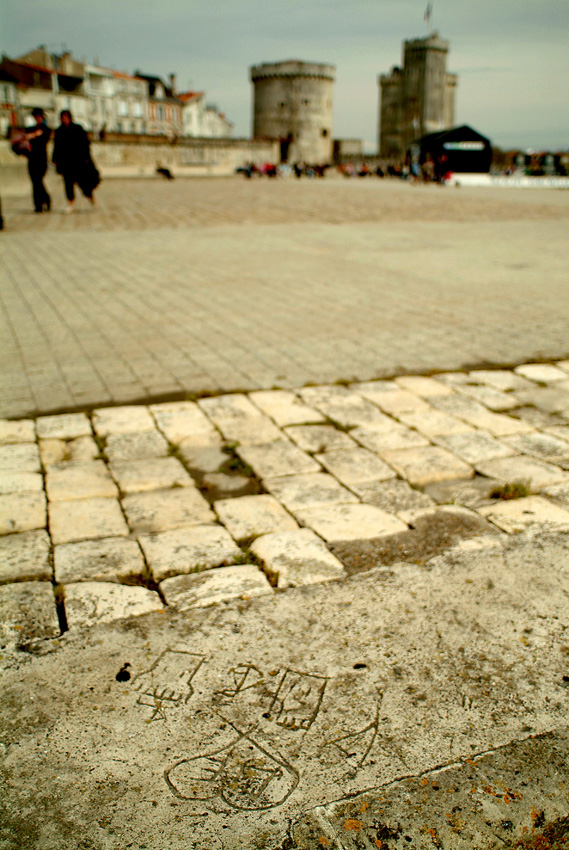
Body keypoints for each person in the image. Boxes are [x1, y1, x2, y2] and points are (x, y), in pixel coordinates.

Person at [52, 110, 99, 213]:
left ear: (70, 117)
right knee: (68, 184)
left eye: (66, 117)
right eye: (62, 117)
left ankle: (91, 198)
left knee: (83, 183)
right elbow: (56, 146)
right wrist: (54, 159)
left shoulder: (78, 128)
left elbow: (85, 143)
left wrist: (86, 157)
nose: (64, 119)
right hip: (65, 162)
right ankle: (71, 203)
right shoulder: (59, 131)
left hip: (78, 161)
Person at [24, 108, 52, 213]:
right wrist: (35, 134)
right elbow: (25, 137)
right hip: (32, 158)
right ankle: (39, 204)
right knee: (35, 182)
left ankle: (45, 200)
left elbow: (44, 140)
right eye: (36, 117)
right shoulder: (30, 129)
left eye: (39, 117)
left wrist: (32, 136)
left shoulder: (46, 129)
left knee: (38, 180)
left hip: (42, 159)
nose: (38, 119)